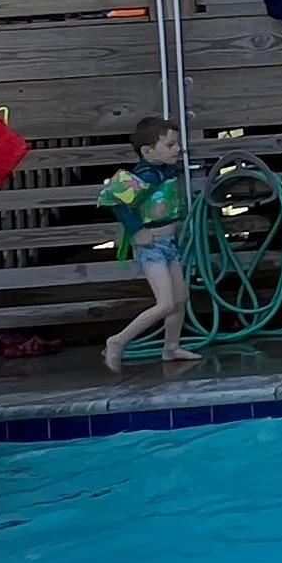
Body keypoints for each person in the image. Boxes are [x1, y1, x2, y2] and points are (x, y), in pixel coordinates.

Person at [100, 118, 193, 373]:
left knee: (180, 298)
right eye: (171, 145)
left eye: (177, 144)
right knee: (165, 303)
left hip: (169, 244)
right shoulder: (146, 174)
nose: (178, 149)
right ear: (148, 151)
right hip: (151, 247)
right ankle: (117, 341)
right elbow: (113, 200)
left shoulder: (164, 171)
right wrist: (136, 230)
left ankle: (171, 348)